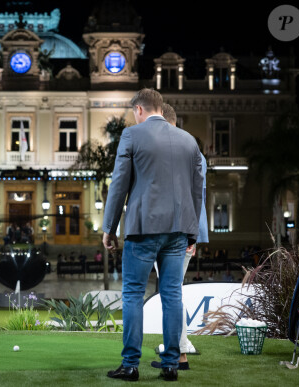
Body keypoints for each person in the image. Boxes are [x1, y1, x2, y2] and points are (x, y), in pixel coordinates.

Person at [103, 88, 203, 382]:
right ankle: (171, 364)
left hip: (143, 228)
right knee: (172, 295)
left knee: (133, 294)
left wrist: (108, 228)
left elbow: (119, 184)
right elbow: (198, 191)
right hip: (178, 230)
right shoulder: (189, 141)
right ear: (161, 107)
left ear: (140, 110)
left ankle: (130, 364)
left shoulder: (132, 136)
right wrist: (192, 232)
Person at [152, 103, 209, 371]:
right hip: (185, 232)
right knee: (171, 292)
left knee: (171, 293)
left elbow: (190, 196)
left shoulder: (177, 151)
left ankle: (179, 355)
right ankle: (179, 354)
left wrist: (190, 235)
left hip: (176, 232)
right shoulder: (191, 149)